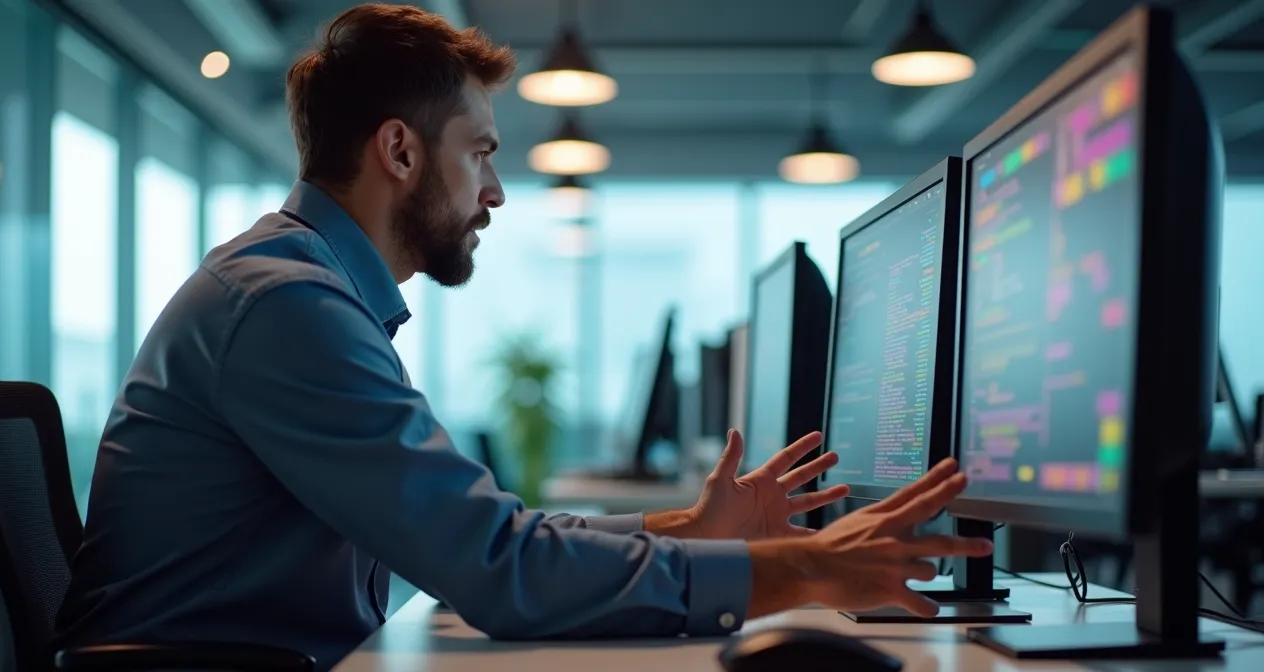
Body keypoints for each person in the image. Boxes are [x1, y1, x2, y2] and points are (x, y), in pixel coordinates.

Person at [55, 3, 992, 670]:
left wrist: (690, 531)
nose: (496, 192)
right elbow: (497, 570)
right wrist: (797, 571)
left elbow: (479, 540)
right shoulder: (285, 305)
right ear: (400, 151)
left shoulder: (303, 289)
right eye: (483, 152)